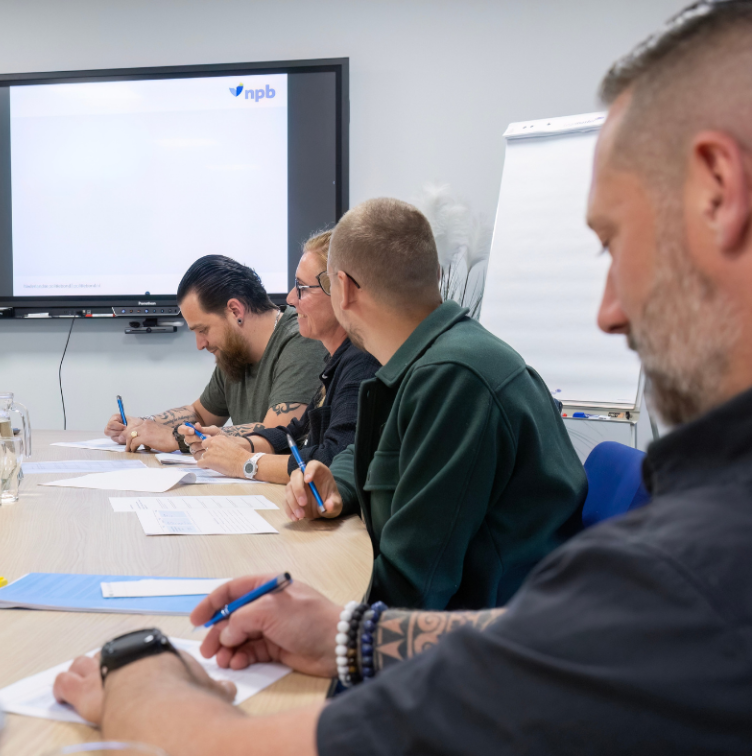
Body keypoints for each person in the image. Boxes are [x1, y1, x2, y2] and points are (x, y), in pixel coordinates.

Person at [53, 3, 752, 753]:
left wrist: (140, 673)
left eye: (612, 243)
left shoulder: (703, 568)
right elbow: (574, 635)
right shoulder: (694, 545)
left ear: (717, 189)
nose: (609, 314)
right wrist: (352, 631)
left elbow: (244, 744)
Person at [294, 198, 583, 609]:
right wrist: (337, 484)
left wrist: (318, 617)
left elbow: (414, 586)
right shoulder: (426, 359)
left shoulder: (452, 378)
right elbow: (379, 454)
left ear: (343, 288)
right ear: (436, 274)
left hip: (483, 644)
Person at [181, 231, 380, 483]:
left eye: (302, 288)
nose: (290, 299)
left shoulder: (364, 361)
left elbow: (334, 458)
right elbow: (294, 431)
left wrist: (244, 463)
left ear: (342, 292)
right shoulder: (338, 361)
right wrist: (234, 443)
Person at [104, 255, 327, 454]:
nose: (200, 344)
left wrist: (174, 438)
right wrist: (143, 425)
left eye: (203, 330)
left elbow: (276, 432)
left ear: (235, 311)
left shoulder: (302, 339)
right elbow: (200, 414)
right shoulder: (234, 352)